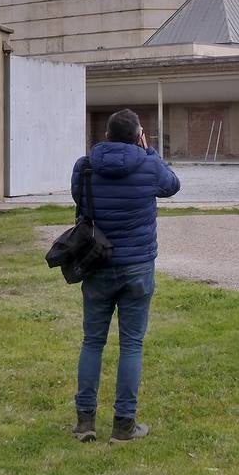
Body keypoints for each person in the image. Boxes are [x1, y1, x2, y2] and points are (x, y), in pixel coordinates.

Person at [70, 108, 180, 444]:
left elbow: (79, 199)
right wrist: (150, 151)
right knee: (131, 345)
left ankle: (85, 421)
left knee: (92, 342)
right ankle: (123, 425)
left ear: (106, 136)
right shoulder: (148, 164)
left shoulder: (85, 167)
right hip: (137, 266)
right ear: (138, 136)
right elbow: (172, 185)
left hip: (96, 263)